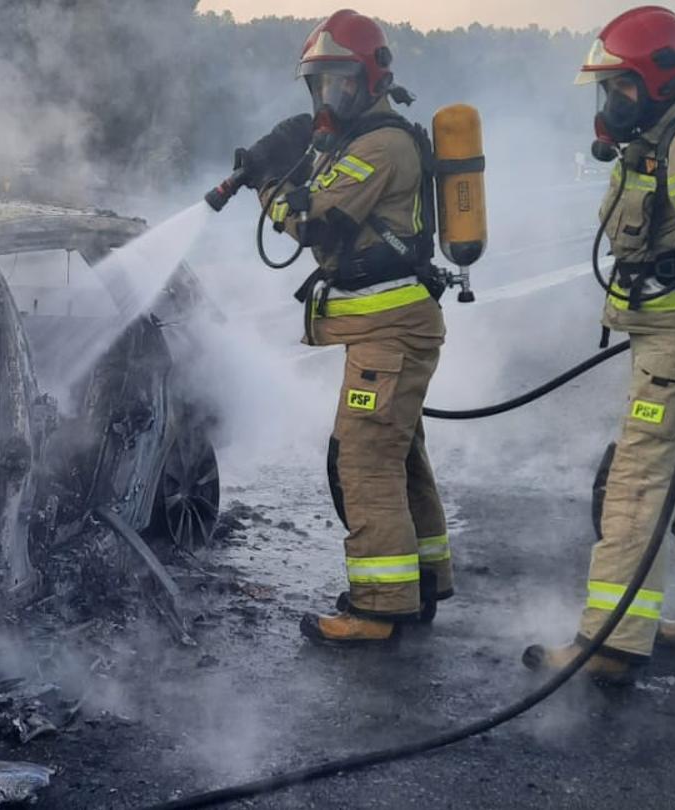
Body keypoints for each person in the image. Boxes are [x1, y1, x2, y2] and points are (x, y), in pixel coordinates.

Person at [525, 5, 675, 683]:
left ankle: (609, 643)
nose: (613, 102)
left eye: (622, 86)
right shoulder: (660, 139)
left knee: (635, 485)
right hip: (665, 332)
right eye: (608, 89)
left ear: (660, 78)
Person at [235, 9, 451, 647]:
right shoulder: (360, 141)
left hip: (391, 331)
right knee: (399, 454)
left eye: (341, 82)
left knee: (364, 461)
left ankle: (378, 608)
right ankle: (421, 581)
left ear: (371, 79)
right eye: (320, 83)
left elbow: (314, 222)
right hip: (392, 329)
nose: (329, 96)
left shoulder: (380, 145)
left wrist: (267, 185)